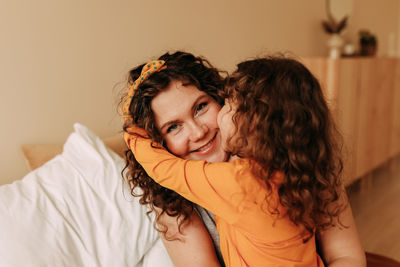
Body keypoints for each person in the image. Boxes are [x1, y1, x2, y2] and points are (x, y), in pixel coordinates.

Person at [121, 51, 366, 266]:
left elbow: (346, 256)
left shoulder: (298, 161)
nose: (198, 132)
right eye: (173, 127)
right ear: (159, 142)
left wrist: (132, 134)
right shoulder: (174, 206)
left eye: (201, 108)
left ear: (222, 98)